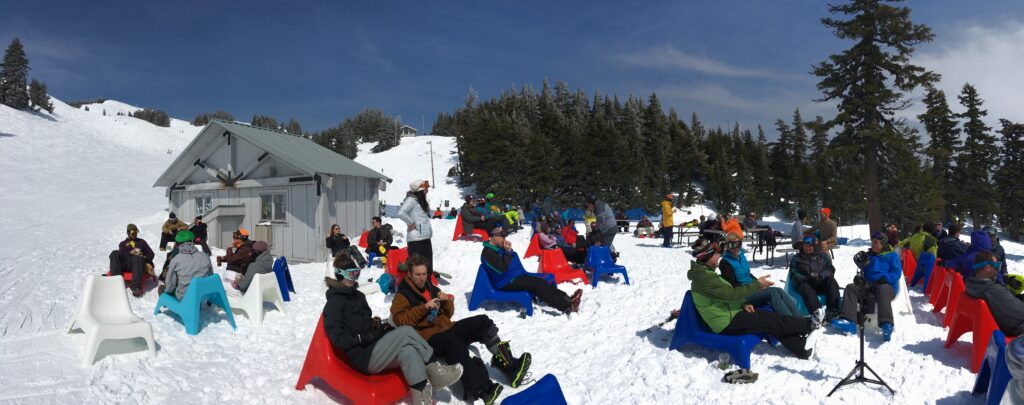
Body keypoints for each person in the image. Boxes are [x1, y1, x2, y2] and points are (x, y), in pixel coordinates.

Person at [324, 252, 463, 405]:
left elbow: (362, 323)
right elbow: (336, 337)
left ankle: (423, 400)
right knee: (406, 332)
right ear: (339, 275)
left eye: (357, 273)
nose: (355, 277)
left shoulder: (358, 296)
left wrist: (376, 326)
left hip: (373, 347)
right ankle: (436, 372)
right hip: (362, 356)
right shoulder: (335, 302)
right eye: (351, 274)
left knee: (408, 351)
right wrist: (362, 338)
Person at [391, 255, 530, 404]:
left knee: (482, 322)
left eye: (424, 274)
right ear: (410, 275)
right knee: (453, 343)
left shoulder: (430, 287)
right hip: (429, 339)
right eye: (418, 274)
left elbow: (448, 314)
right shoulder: (402, 295)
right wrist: (424, 308)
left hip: (447, 327)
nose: (422, 278)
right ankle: (483, 390)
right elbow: (400, 321)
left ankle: (509, 366)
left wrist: (446, 302)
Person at [685, 238, 820, 360]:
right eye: (715, 254)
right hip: (726, 323)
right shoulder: (705, 278)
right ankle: (808, 325)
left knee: (769, 322)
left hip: (730, 314)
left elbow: (724, 296)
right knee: (769, 319)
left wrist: (743, 304)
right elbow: (732, 294)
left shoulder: (705, 274)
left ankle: (802, 348)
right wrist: (757, 284)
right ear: (707, 257)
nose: (719, 256)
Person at [482, 228, 581, 314]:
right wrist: (507, 252)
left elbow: (512, 260)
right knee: (538, 284)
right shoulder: (488, 253)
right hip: (504, 282)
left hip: (512, 277)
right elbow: (502, 269)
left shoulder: (497, 248)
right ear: (493, 237)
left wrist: (510, 251)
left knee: (541, 281)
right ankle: (567, 306)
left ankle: (567, 299)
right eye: (502, 236)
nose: (504, 238)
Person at [831, 232, 901, 341]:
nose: (873, 244)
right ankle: (848, 321)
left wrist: (885, 278)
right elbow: (864, 273)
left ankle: (887, 324)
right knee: (851, 288)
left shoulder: (892, 255)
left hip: (887, 287)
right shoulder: (868, 256)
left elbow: (897, 273)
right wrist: (860, 277)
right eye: (872, 242)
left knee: (882, 289)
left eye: (876, 242)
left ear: (883, 243)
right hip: (869, 286)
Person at [718, 233, 801, 318]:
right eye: (732, 245)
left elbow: (747, 274)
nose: (736, 247)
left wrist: (758, 283)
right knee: (772, 293)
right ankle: (791, 320)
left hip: (751, 288)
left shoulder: (741, 256)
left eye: (738, 244)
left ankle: (799, 317)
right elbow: (733, 285)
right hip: (743, 294)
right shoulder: (725, 263)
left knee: (778, 290)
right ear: (727, 246)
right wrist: (755, 286)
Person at [965, 251, 1024, 336]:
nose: (998, 270)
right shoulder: (993, 290)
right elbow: (1019, 311)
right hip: (1015, 327)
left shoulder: (971, 283)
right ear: (988, 268)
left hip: (1002, 320)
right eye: (997, 266)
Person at [789, 236, 842, 324]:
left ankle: (833, 311)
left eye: (810, 246)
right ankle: (817, 313)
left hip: (821, 282)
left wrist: (821, 276)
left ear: (814, 246)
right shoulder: (797, 258)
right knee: (805, 287)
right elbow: (793, 273)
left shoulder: (823, 256)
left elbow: (830, 269)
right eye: (805, 246)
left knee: (831, 281)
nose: (807, 248)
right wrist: (805, 278)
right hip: (807, 284)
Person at [159, 230, 213, 300]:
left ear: (178, 244)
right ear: (192, 241)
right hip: (203, 295)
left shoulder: (176, 259)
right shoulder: (205, 256)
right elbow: (211, 276)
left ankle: (165, 301)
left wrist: (168, 291)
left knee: (161, 288)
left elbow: (170, 284)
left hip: (184, 297)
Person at [399, 180, 435, 283]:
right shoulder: (411, 200)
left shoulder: (419, 201)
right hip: (416, 240)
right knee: (417, 269)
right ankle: (416, 292)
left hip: (425, 238)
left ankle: (428, 288)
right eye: (425, 190)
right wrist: (411, 223)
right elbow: (401, 212)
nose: (426, 192)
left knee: (428, 266)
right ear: (419, 191)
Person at [110, 223, 156, 297]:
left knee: (137, 257)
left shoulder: (141, 242)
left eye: (136, 232)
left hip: (138, 264)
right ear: (128, 233)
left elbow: (151, 254)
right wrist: (129, 252)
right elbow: (121, 254)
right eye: (133, 233)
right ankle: (115, 283)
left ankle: (136, 288)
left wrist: (144, 257)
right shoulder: (122, 244)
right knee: (114, 253)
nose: (135, 234)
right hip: (125, 264)